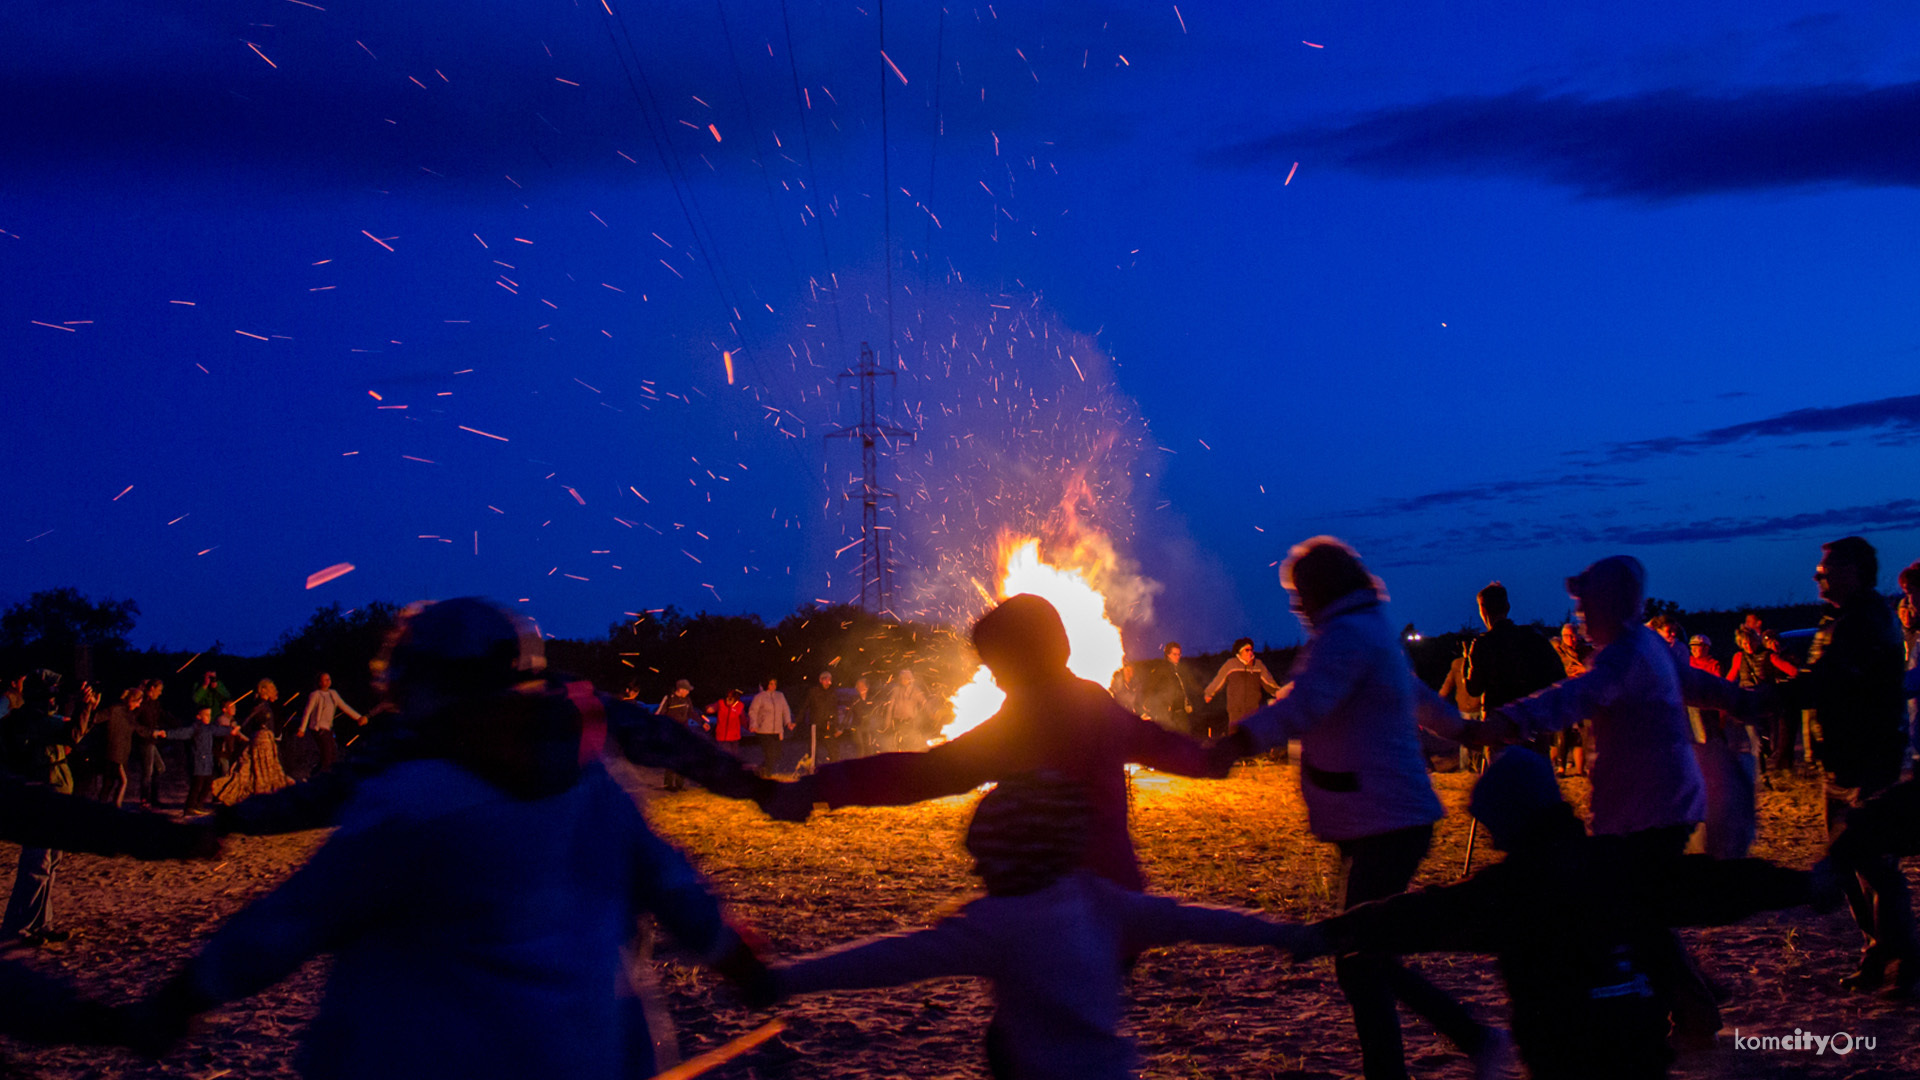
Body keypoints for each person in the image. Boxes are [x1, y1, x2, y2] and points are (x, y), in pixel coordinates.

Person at [126, 599, 771, 1080]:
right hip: (589, 1050)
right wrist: (739, 962)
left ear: (426, 682)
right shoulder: (593, 780)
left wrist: (186, 994)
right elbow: (677, 889)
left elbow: (292, 921)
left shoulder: (413, 800)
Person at [1287, 749, 1829, 1080]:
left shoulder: (1511, 890)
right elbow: (1718, 885)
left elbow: (1422, 916)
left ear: (1512, 818)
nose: (1491, 834)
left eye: (1493, 821)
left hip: (1564, 1063)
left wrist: (1333, 932)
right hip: (1641, 1059)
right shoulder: (1621, 864)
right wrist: (1803, 883)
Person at [767, 773, 1302, 1080]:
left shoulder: (996, 923)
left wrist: (785, 979)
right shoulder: (1097, 897)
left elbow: (893, 959)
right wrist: (1292, 934)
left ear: (1008, 858)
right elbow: (1194, 920)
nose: (977, 870)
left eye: (984, 858)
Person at [1209, 537, 1504, 1080]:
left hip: (1386, 820)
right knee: (1362, 954)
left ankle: (1470, 1038)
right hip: (1377, 816)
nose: (1297, 605)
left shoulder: (1345, 637)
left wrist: (1236, 744)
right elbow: (1420, 699)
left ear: (1319, 590)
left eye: (1300, 593)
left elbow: (1308, 703)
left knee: (1361, 953)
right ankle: (1454, 1043)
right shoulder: (1366, 631)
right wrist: (1463, 728)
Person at [1460, 555, 1764, 1046]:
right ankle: (1696, 1001)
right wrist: (1741, 699)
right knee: (1639, 910)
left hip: (1649, 807)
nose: (1579, 617)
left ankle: (1695, 1005)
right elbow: (1697, 686)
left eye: (1585, 606)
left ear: (1608, 604)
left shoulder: (1625, 655)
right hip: (1656, 802)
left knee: (1631, 911)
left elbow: (1570, 697)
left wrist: (1502, 724)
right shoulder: (1645, 645)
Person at [763, 594, 1221, 893]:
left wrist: (822, 786)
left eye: (995, 662)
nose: (993, 676)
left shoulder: (1024, 723)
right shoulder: (1094, 703)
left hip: (1053, 905)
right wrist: (1219, 755)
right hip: (1116, 894)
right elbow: (1161, 745)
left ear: (1016, 658)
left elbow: (928, 775)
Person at [1777, 536, 1918, 994]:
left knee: (1872, 862)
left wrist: (1762, 698)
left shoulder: (1863, 622)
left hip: (1867, 759)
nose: (1818, 575)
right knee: (1857, 865)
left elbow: (1828, 682)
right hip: (1843, 759)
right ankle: (1879, 955)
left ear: (1855, 571)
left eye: (1827, 568)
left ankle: (1907, 964)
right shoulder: (1841, 618)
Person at [0, 670, 84, 943]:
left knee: (50, 863)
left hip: (53, 794)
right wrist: (86, 706)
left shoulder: (39, 718)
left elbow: (74, 733)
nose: (54, 700)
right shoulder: (32, 719)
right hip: (41, 796)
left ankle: (40, 924)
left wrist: (86, 708)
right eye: (51, 695)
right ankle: (18, 927)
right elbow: (73, 735)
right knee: (38, 864)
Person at [1464, 582, 1565, 755]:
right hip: (1532, 720)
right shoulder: (1533, 637)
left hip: (1499, 725)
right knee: (1536, 777)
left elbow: (1473, 689)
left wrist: (1467, 660)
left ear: (1483, 609)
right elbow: (1558, 675)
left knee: (1502, 778)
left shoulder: (1483, 644)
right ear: (1507, 606)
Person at [1687, 635, 1756, 859]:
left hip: (1710, 702)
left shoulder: (1712, 664)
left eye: (1699, 646)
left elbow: (1717, 681)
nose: (1696, 650)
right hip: (1694, 703)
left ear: (1706, 647)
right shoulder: (1686, 663)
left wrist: (1730, 700)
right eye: (1693, 646)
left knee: (1711, 736)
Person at [1726, 623, 1798, 772]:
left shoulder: (1768, 655)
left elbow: (1791, 670)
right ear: (1740, 643)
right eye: (1744, 643)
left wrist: (1795, 676)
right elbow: (1731, 677)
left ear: (1756, 640)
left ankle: (1766, 762)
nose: (1748, 645)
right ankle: (1761, 776)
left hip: (1767, 704)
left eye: (1751, 641)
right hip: (1748, 703)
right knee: (1756, 742)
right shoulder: (1739, 657)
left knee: (1772, 744)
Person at [159, 706, 237, 816]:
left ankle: (199, 804)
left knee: (207, 784)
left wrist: (230, 730)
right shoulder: (196, 728)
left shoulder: (209, 728)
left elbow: (219, 730)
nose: (208, 717)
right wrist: (167, 734)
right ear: (199, 716)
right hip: (198, 761)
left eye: (209, 715)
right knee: (197, 785)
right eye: (206, 715)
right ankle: (190, 806)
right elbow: (182, 732)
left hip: (208, 762)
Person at [218, 690, 292, 805]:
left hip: (258, 741)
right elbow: (246, 722)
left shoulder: (266, 706)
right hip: (229, 749)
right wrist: (241, 731)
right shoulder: (260, 706)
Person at [1203, 638, 1281, 739]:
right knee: (1235, 739)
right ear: (1240, 651)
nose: (1250, 652)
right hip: (1236, 710)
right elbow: (1219, 680)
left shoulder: (1258, 665)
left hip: (1253, 709)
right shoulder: (1231, 665)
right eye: (1247, 650)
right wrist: (1209, 693)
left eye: (1251, 649)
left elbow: (1269, 683)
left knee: (1252, 738)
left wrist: (1281, 693)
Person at [295, 673, 363, 774]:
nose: (328, 681)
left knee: (332, 754)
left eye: (329, 679)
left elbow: (344, 706)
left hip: (328, 728)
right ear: (319, 682)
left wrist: (359, 718)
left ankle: (317, 774)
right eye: (325, 680)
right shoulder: (315, 695)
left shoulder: (333, 693)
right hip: (318, 728)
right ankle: (322, 777)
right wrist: (302, 729)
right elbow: (307, 711)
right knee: (327, 754)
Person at [97, 685, 144, 808]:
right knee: (123, 781)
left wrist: (155, 733)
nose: (138, 706)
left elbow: (139, 729)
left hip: (118, 753)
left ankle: (103, 805)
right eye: (138, 702)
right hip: (115, 754)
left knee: (109, 782)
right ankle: (116, 806)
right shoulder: (116, 710)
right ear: (132, 700)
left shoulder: (129, 714)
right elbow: (96, 718)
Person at [1146, 642, 1201, 741]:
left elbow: (1192, 685)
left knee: (1186, 739)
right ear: (1167, 655)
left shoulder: (1181, 670)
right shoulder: (1161, 669)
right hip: (1168, 714)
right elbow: (1149, 688)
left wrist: (1205, 693)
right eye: (1174, 654)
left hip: (1181, 712)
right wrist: (1148, 706)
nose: (1177, 657)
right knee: (1170, 742)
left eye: (1179, 654)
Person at [132, 679, 172, 808]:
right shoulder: (142, 703)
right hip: (144, 741)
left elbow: (163, 715)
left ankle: (152, 798)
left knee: (159, 768)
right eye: (159, 690)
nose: (160, 693)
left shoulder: (155, 703)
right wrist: (150, 732)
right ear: (152, 689)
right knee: (148, 771)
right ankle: (145, 799)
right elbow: (134, 722)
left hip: (152, 741)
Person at [657, 679, 698, 791]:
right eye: (687, 690)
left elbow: (691, 713)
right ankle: (669, 784)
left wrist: (703, 723)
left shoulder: (687, 700)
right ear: (681, 689)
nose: (689, 692)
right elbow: (659, 714)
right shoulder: (669, 699)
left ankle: (680, 784)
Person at [747, 678, 792, 776]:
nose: (774, 686)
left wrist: (788, 722)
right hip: (764, 731)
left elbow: (785, 709)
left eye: (775, 684)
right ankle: (767, 774)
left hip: (777, 730)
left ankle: (762, 768)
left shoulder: (780, 696)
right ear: (766, 684)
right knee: (769, 754)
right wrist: (754, 724)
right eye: (771, 683)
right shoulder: (760, 697)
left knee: (778, 754)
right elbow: (753, 711)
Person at [881, 669, 933, 750]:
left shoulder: (915, 691)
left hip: (910, 721)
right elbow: (890, 706)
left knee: (910, 742)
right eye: (901, 678)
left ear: (910, 679)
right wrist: (887, 720)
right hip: (897, 721)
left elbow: (924, 703)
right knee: (898, 743)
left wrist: (931, 713)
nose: (903, 680)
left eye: (905, 678)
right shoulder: (896, 690)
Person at [801, 671, 842, 764]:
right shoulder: (814, 692)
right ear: (820, 680)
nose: (828, 682)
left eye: (829, 680)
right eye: (826, 679)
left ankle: (833, 768)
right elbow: (804, 706)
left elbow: (834, 710)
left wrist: (836, 726)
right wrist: (796, 721)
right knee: (813, 750)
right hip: (815, 726)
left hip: (828, 726)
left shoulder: (832, 693)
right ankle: (812, 770)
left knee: (833, 750)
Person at [704, 689, 746, 756]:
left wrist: (750, 727)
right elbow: (712, 707)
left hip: (734, 736)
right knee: (726, 754)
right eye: (727, 698)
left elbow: (743, 719)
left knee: (734, 755)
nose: (728, 701)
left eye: (731, 699)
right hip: (722, 736)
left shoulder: (739, 706)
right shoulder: (721, 703)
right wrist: (709, 709)